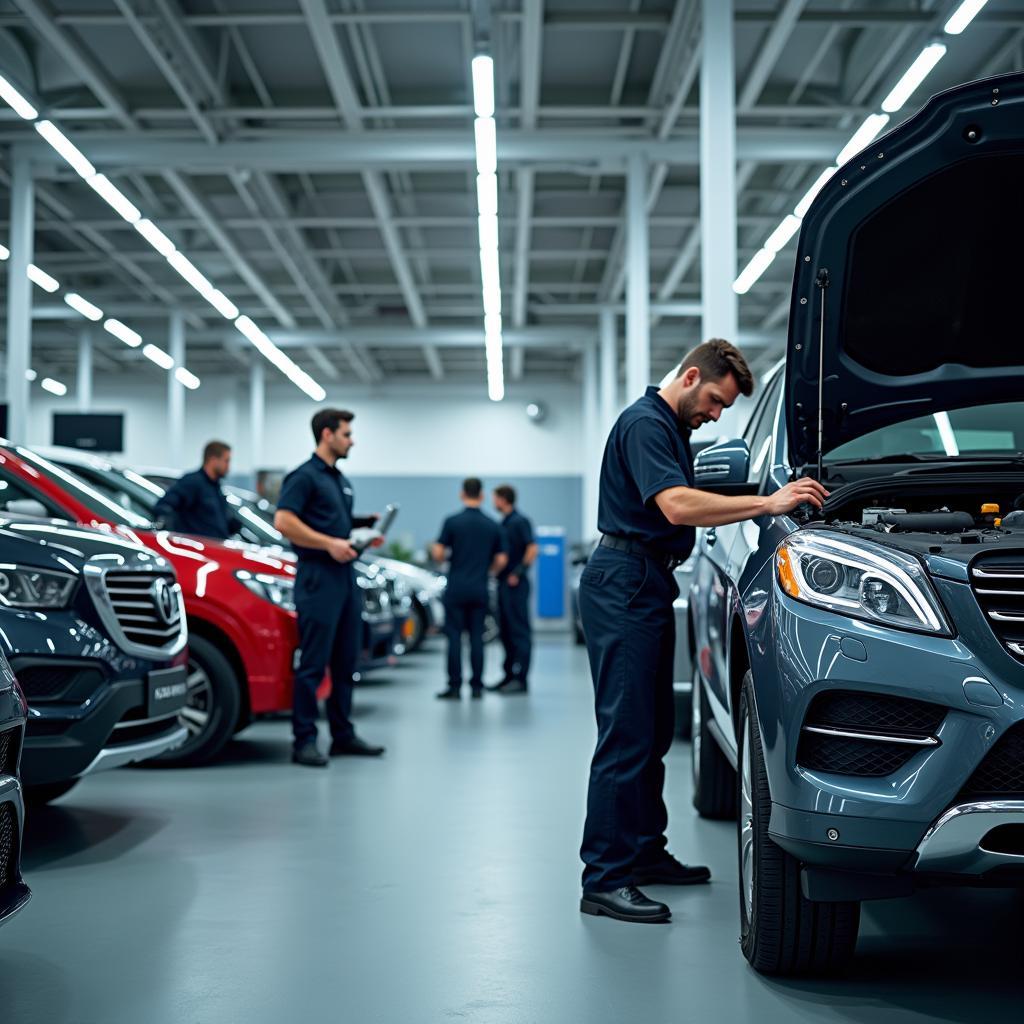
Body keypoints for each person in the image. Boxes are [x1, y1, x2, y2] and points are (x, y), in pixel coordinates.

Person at [578, 339, 829, 924]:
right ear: (691, 376)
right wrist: (767, 504)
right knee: (625, 734)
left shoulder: (668, 428)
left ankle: (643, 852)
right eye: (715, 401)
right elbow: (675, 506)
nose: (716, 415)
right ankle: (604, 878)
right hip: (624, 582)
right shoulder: (645, 424)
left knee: (655, 728)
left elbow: (690, 500)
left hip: (643, 581)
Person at [274, 408, 385, 767]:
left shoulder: (338, 480)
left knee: (344, 661)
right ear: (327, 435)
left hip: (344, 578)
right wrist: (328, 544)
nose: (352, 440)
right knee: (313, 663)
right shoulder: (304, 477)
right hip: (318, 577)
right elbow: (284, 521)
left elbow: (329, 521)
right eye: (347, 434)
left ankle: (343, 735)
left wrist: (360, 525)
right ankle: (303, 741)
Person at [432, 478, 507, 700]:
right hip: (479, 587)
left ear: (462, 494)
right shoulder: (492, 524)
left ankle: (454, 687)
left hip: (456, 587)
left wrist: (448, 561)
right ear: (482, 496)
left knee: (454, 637)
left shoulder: (452, 522)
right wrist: (487, 570)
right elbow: (502, 559)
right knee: (476, 637)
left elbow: (438, 553)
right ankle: (476, 686)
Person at [488, 484, 538, 695]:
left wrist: (518, 572)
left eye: (495, 498)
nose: (493, 502)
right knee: (506, 632)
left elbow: (532, 548)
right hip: (503, 584)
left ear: (502, 499)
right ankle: (508, 675)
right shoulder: (504, 523)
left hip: (516, 585)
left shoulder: (520, 521)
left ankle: (521, 679)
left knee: (519, 632)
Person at [154, 440, 241, 540]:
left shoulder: (216, 487)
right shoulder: (192, 482)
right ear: (213, 460)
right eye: (226, 461)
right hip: (197, 550)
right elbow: (163, 506)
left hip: (217, 548)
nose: (228, 467)